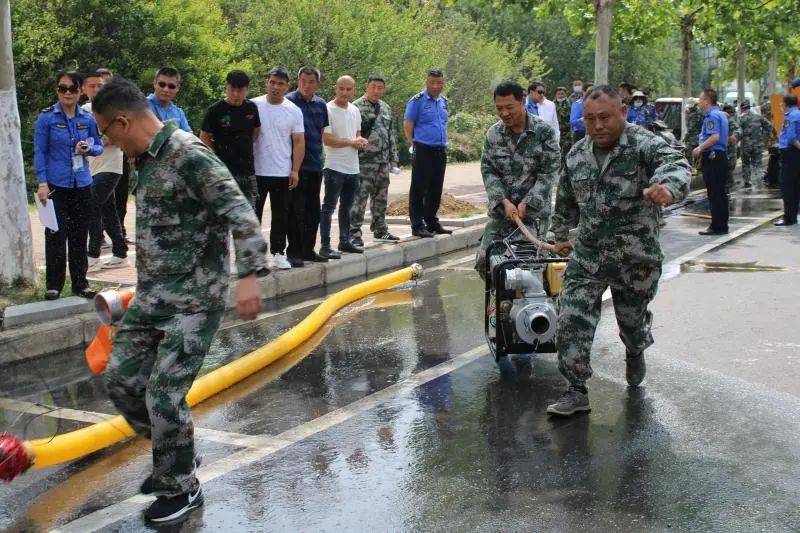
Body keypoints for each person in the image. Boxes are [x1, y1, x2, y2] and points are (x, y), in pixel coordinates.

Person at [92, 76, 268, 523]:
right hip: (153, 296)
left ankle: (181, 488)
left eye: (106, 132)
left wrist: (248, 276)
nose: (106, 141)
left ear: (123, 121)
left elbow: (241, 213)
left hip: (194, 299)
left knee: (164, 395)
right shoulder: (146, 159)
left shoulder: (188, 153)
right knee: (120, 379)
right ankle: (178, 457)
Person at [547, 85, 691, 416]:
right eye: (590, 119)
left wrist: (667, 187)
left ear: (622, 113)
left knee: (632, 322)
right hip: (589, 255)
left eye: (605, 118)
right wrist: (560, 235)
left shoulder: (643, 144)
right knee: (571, 316)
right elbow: (566, 199)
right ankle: (575, 388)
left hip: (634, 258)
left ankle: (636, 348)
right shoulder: (576, 154)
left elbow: (675, 162)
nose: (598, 126)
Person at [475, 80, 559, 279]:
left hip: (533, 215)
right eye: (499, 108)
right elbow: (488, 170)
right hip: (502, 212)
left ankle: (539, 303)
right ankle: (500, 304)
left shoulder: (543, 132)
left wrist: (527, 203)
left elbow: (549, 172)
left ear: (522, 102)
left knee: (526, 267)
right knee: (485, 261)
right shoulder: (494, 134)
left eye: (509, 107)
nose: (504, 113)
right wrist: (503, 202)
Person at [34, 70, 104, 301]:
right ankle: (53, 285)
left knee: (78, 234)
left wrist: (89, 149)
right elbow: (40, 152)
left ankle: (80, 284)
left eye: (72, 89)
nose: (67, 93)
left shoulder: (87, 119)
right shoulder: (47, 118)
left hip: (82, 183)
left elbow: (99, 147)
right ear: (56, 90)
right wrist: (42, 183)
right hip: (56, 184)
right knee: (55, 233)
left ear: (80, 91)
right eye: (62, 88)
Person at [252, 66, 305, 269]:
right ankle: (255, 256)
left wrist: (295, 169)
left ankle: (278, 252)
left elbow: (299, 141)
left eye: (280, 84)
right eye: (272, 82)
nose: (275, 87)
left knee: (281, 215)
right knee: (253, 215)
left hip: (282, 171)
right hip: (256, 170)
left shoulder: (293, 110)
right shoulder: (253, 105)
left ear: (287, 86)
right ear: (267, 82)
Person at [81, 69, 128, 272]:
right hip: (91, 167)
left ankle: (92, 256)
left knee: (91, 207)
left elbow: (116, 137)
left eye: (100, 85)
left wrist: (93, 143)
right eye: (92, 85)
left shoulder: (113, 109)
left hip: (111, 167)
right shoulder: (82, 110)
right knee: (108, 211)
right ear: (83, 88)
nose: (96, 89)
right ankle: (120, 253)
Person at [286, 67, 331, 262]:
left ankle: (308, 250)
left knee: (313, 211)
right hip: (294, 166)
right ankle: (294, 252)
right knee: (295, 211)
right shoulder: (288, 102)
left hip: (314, 164)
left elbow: (321, 132)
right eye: (303, 80)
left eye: (311, 81)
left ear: (317, 84)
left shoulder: (321, 104)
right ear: (298, 81)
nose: (306, 85)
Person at [350, 73, 400, 246]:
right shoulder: (355, 107)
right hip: (363, 161)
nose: (376, 91)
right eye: (373, 87)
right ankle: (354, 233)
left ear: (384, 89)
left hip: (382, 161)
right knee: (360, 198)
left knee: (381, 197)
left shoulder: (385, 108)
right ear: (366, 86)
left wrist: (393, 158)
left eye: (380, 88)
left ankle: (380, 229)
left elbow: (391, 133)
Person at [200, 70, 261, 209]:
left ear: (247, 89)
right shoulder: (215, 110)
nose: (235, 94)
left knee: (248, 216)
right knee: (222, 216)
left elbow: (255, 132)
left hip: (247, 171)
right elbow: (204, 137)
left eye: (240, 90)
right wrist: (216, 157)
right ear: (226, 87)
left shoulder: (251, 108)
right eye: (232, 89)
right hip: (222, 172)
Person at [321, 75, 367, 256]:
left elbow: (357, 135)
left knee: (347, 207)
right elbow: (327, 139)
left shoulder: (355, 110)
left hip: (353, 167)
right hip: (334, 166)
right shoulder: (327, 109)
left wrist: (362, 142)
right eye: (342, 89)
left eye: (349, 89)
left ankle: (344, 241)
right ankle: (325, 246)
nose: (345, 93)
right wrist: (351, 142)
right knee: (328, 207)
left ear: (354, 90)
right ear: (335, 88)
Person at [404, 69, 451, 238]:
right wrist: (413, 144)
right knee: (419, 188)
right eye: (432, 82)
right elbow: (408, 125)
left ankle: (431, 221)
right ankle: (417, 224)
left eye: (439, 83)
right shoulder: (417, 101)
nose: (436, 86)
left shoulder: (444, 101)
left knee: (435, 187)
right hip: (423, 148)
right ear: (426, 82)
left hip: (440, 148)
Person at [692, 88, 729, 235]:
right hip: (720, 156)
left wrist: (699, 148)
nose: (699, 102)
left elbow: (714, 137)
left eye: (700, 99)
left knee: (714, 193)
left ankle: (716, 226)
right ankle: (722, 225)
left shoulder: (711, 116)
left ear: (707, 101)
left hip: (713, 156)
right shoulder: (721, 114)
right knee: (720, 192)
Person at [739, 100, 776, 192]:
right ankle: (759, 182)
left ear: (742, 109)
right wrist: (773, 134)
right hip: (758, 145)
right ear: (749, 107)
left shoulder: (740, 118)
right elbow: (770, 126)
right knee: (758, 164)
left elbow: (737, 131)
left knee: (746, 164)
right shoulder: (758, 117)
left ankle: (747, 183)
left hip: (746, 146)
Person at [774, 93, 800, 226]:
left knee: (787, 186)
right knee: (795, 185)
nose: (780, 105)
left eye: (782, 103)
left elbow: (791, 138)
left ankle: (789, 217)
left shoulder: (790, 116)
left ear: (786, 104)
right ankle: (793, 215)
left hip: (790, 153)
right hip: (795, 154)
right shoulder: (798, 114)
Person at [147, 67, 191, 132]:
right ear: (154, 84)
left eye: (171, 86)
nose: (166, 90)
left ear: (178, 88)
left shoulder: (179, 113)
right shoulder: (141, 106)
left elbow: (189, 138)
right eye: (162, 84)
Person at [723, 103, 741, 193]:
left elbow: (737, 130)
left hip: (731, 146)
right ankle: (727, 187)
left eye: (731, 113)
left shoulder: (732, 119)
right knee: (726, 168)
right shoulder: (721, 118)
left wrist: (734, 136)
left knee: (731, 165)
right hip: (721, 148)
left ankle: (728, 186)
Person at [554, 86, 572, 162]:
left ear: (566, 94)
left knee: (567, 152)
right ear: (555, 95)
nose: (560, 95)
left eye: (562, 94)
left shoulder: (570, 104)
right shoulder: (551, 104)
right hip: (555, 132)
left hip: (567, 133)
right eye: (558, 94)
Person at [684, 98, 702, 163]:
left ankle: (697, 169)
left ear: (695, 105)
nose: (690, 108)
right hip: (689, 137)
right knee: (688, 154)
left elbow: (693, 127)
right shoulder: (688, 112)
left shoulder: (699, 113)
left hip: (696, 137)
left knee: (697, 155)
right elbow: (688, 127)